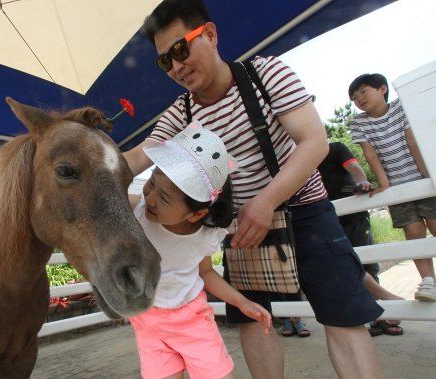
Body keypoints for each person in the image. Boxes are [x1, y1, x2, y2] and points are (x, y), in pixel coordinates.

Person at [124, 1, 384, 378]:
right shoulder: (181, 114)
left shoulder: (266, 73)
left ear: (210, 35)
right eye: (166, 61)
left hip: (304, 211)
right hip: (242, 229)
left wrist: (265, 202)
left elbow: (314, 142)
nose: (177, 67)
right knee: (253, 321)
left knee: (342, 316)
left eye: (181, 49)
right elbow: (135, 157)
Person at [128, 123, 272, 379]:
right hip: (148, 323)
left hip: (192, 322)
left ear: (197, 213)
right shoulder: (137, 210)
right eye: (151, 183)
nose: (150, 198)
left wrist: (241, 301)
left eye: (164, 199)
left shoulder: (205, 236)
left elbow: (206, 273)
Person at [348, 73, 436, 302]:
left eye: (364, 92)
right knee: (414, 231)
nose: (359, 99)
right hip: (396, 186)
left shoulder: (400, 107)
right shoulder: (358, 122)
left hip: (421, 177)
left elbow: (412, 140)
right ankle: (428, 281)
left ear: (382, 89)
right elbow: (369, 153)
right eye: (355, 98)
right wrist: (384, 183)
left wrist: (428, 176)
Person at [318, 141, 405, 336]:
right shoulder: (302, 159)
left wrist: (361, 182)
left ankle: (382, 314)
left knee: (367, 265)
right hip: (327, 221)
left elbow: (355, 168)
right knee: (346, 266)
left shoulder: (336, 148)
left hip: (355, 216)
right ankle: (378, 310)